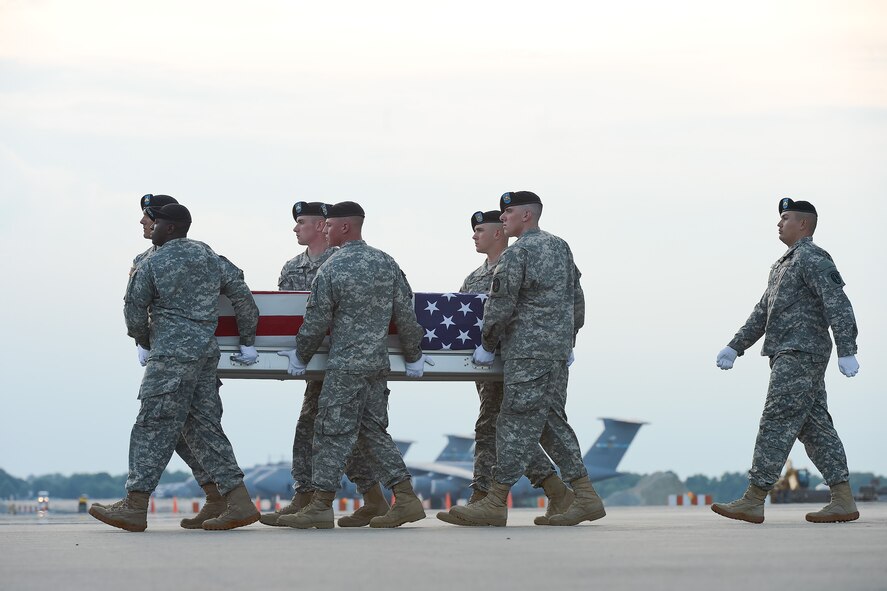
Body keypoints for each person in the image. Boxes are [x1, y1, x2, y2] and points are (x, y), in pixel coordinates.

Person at [89, 203, 261, 532]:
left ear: (169, 228)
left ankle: (135, 505)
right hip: (205, 356)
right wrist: (247, 341)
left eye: (155, 224)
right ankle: (237, 500)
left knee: (152, 426)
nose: (149, 226)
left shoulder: (154, 261)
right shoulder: (210, 256)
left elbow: (135, 310)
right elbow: (243, 298)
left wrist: (144, 341)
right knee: (202, 430)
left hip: (170, 356)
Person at [442, 191, 604, 527]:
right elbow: (577, 297)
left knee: (512, 422)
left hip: (526, 352)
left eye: (509, 212)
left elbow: (501, 303)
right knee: (549, 422)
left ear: (526, 216)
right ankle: (583, 497)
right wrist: (568, 338)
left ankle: (495, 500)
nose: (503, 218)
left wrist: (487, 343)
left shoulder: (518, 253)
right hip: (555, 351)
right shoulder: (561, 247)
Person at [276, 201, 430, 529]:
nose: (325, 230)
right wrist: (414, 355)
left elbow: (317, 320)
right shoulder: (385, 262)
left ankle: (319, 505)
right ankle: (405, 498)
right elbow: (406, 313)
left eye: (329, 226)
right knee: (371, 430)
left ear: (345, 227)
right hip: (377, 364)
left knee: (330, 430)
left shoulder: (332, 267)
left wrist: (300, 356)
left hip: (346, 363)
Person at [712, 198, 860, 524]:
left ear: (803, 224)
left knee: (776, 419)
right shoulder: (782, 265)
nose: (779, 224)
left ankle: (753, 498)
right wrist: (735, 346)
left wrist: (847, 347)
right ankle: (843, 498)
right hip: (785, 353)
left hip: (801, 353)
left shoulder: (813, 257)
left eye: (785, 218)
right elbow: (763, 311)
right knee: (815, 427)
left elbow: (837, 301)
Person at [260, 201, 384, 528]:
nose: (295, 228)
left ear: (321, 225)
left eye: (302, 222)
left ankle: (368, 498)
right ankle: (308, 496)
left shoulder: (346, 261)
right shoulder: (292, 268)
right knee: (311, 427)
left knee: (343, 431)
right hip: (316, 361)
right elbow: (288, 319)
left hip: (345, 358)